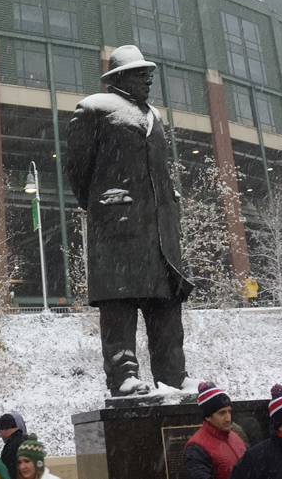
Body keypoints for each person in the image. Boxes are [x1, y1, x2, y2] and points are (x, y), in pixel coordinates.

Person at [64, 45, 197, 397]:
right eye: (141, 74)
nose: (148, 80)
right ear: (120, 78)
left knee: (165, 305)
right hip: (118, 228)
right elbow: (77, 171)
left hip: (158, 232)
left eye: (149, 74)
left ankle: (173, 374)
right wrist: (106, 205)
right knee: (119, 305)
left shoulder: (154, 115)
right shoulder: (95, 109)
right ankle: (123, 376)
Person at [182, 383, 247, 479]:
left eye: (229, 411)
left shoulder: (235, 437)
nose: (228, 418)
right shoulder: (196, 448)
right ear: (208, 416)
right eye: (222, 413)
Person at [0, 411, 27, 479]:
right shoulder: (26, 441)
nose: (0, 436)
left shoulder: (10, 448)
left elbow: (8, 474)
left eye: (0, 432)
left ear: (5, 430)